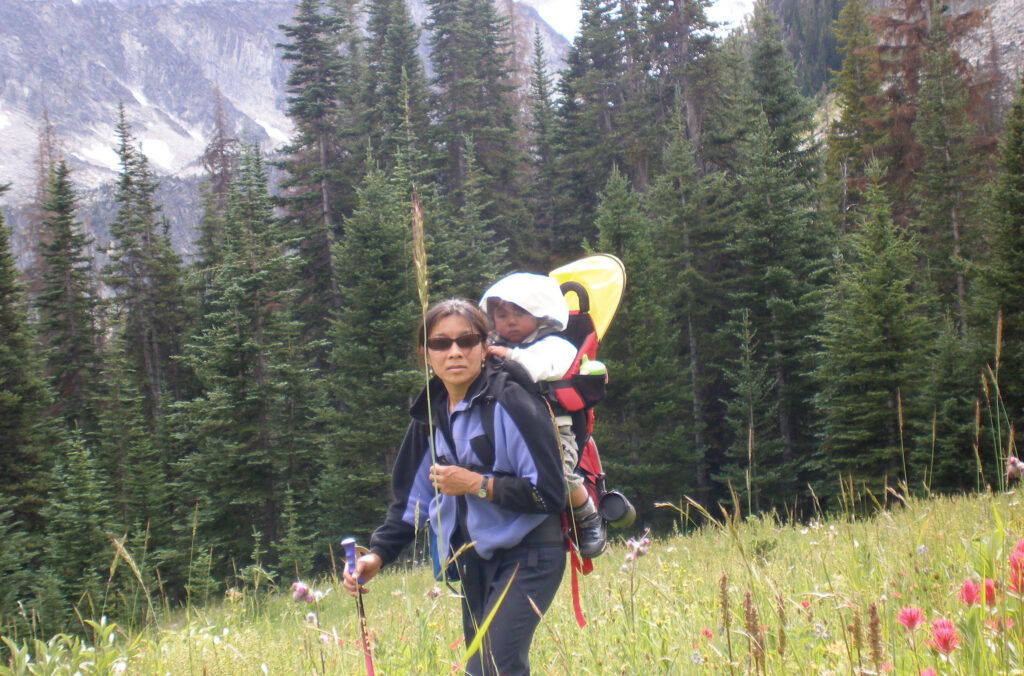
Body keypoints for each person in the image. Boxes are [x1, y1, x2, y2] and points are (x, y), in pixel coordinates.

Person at [342, 298, 566, 676]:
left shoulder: (511, 401)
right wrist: (376, 556)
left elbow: (549, 493)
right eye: (441, 343)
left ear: (484, 346)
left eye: (466, 340)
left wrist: (478, 485)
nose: (455, 352)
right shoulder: (428, 414)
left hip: (531, 553)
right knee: (489, 670)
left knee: (489, 667)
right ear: (425, 353)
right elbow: (410, 505)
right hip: (474, 563)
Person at [479, 272, 606, 558]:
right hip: (511, 430)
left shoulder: (556, 345)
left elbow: (537, 369)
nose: (509, 321)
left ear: (540, 314)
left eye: (520, 313)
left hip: (554, 430)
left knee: (558, 476)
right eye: (501, 315)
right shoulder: (495, 345)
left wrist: (506, 356)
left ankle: (588, 517)